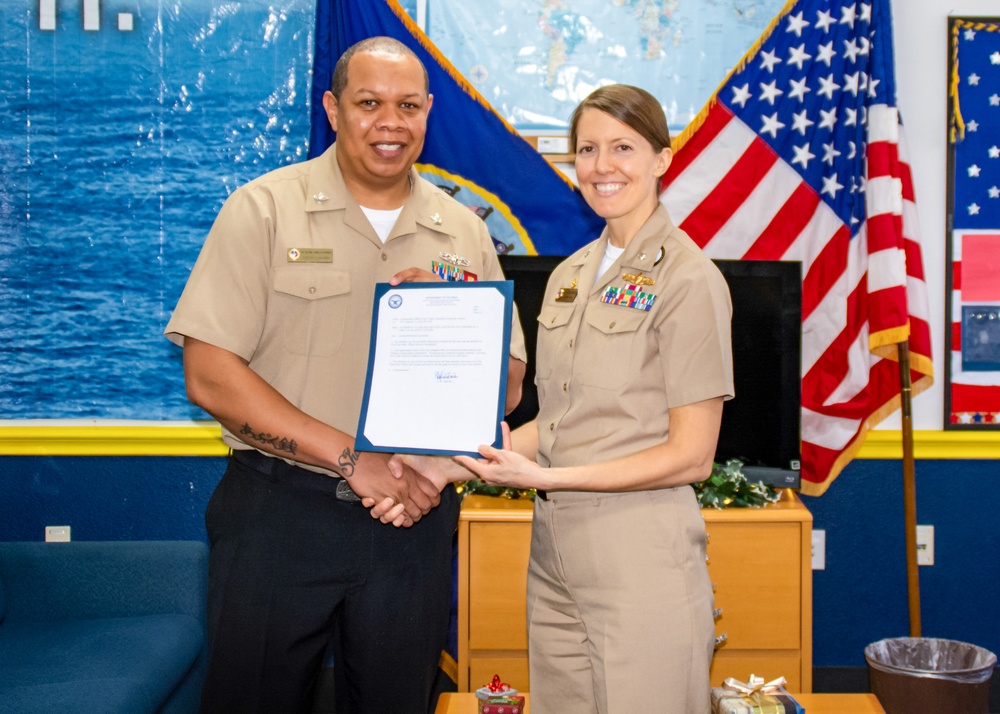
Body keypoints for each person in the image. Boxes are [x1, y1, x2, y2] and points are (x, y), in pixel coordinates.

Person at [164, 36, 526, 714]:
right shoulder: (264, 209)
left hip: (413, 517)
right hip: (279, 516)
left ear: (428, 112)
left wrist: (455, 320)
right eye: (369, 103)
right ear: (333, 109)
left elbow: (505, 385)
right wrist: (352, 458)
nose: (390, 123)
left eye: (408, 106)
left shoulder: (464, 232)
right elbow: (210, 375)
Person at [375, 84, 734, 713]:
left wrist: (541, 475)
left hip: (641, 559)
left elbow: (692, 456)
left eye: (623, 147)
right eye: (587, 149)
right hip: (555, 561)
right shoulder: (569, 276)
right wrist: (441, 468)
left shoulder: (689, 280)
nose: (602, 166)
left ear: (662, 158)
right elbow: (554, 422)